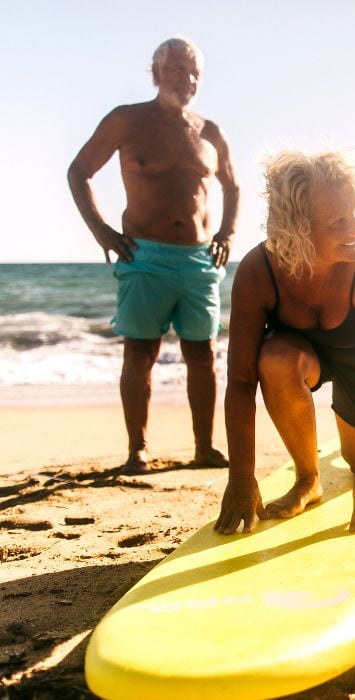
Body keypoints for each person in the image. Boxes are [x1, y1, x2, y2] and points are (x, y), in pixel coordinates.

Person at [67, 37, 238, 474]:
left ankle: (205, 448)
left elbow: (232, 187)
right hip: (145, 256)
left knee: (202, 354)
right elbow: (79, 171)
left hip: (200, 261)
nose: (189, 78)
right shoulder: (127, 120)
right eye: (180, 68)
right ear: (156, 71)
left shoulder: (210, 132)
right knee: (140, 352)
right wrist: (102, 231)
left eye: (196, 70)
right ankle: (137, 451)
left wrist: (227, 234)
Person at [214, 150, 355, 536]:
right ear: (296, 228)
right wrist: (241, 478)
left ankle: (351, 451)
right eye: (338, 222)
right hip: (299, 359)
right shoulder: (258, 272)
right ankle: (307, 479)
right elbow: (242, 381)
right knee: (274, 358)